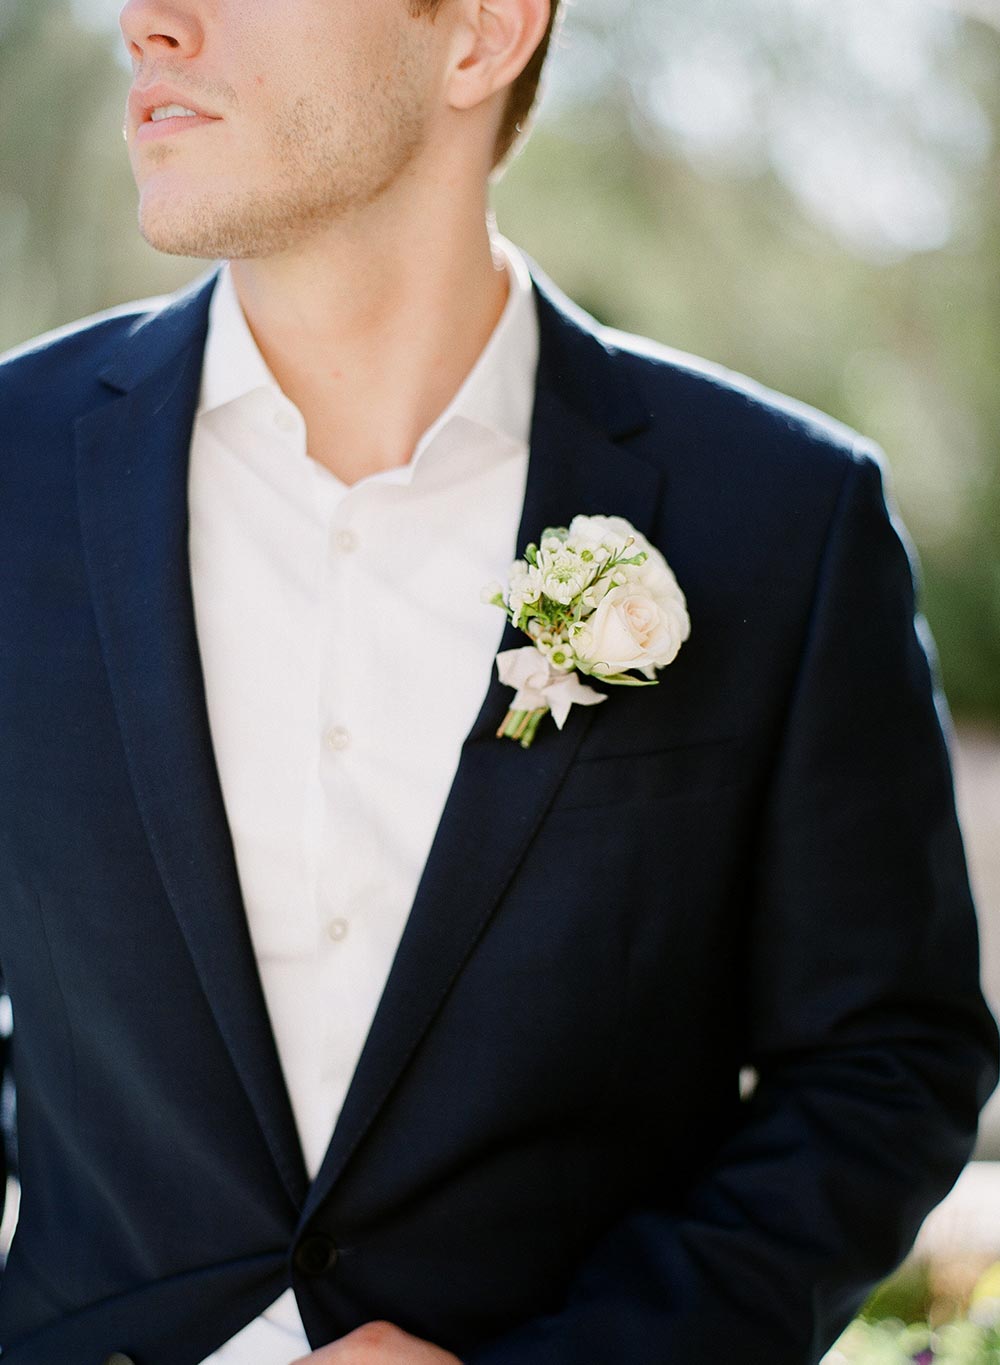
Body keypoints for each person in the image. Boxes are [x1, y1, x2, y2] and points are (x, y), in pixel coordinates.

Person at [0, 0, 996, 1361]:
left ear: (479, 31)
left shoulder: (781, 514)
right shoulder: (12, 472)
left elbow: (889, 1058)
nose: (148, 23)